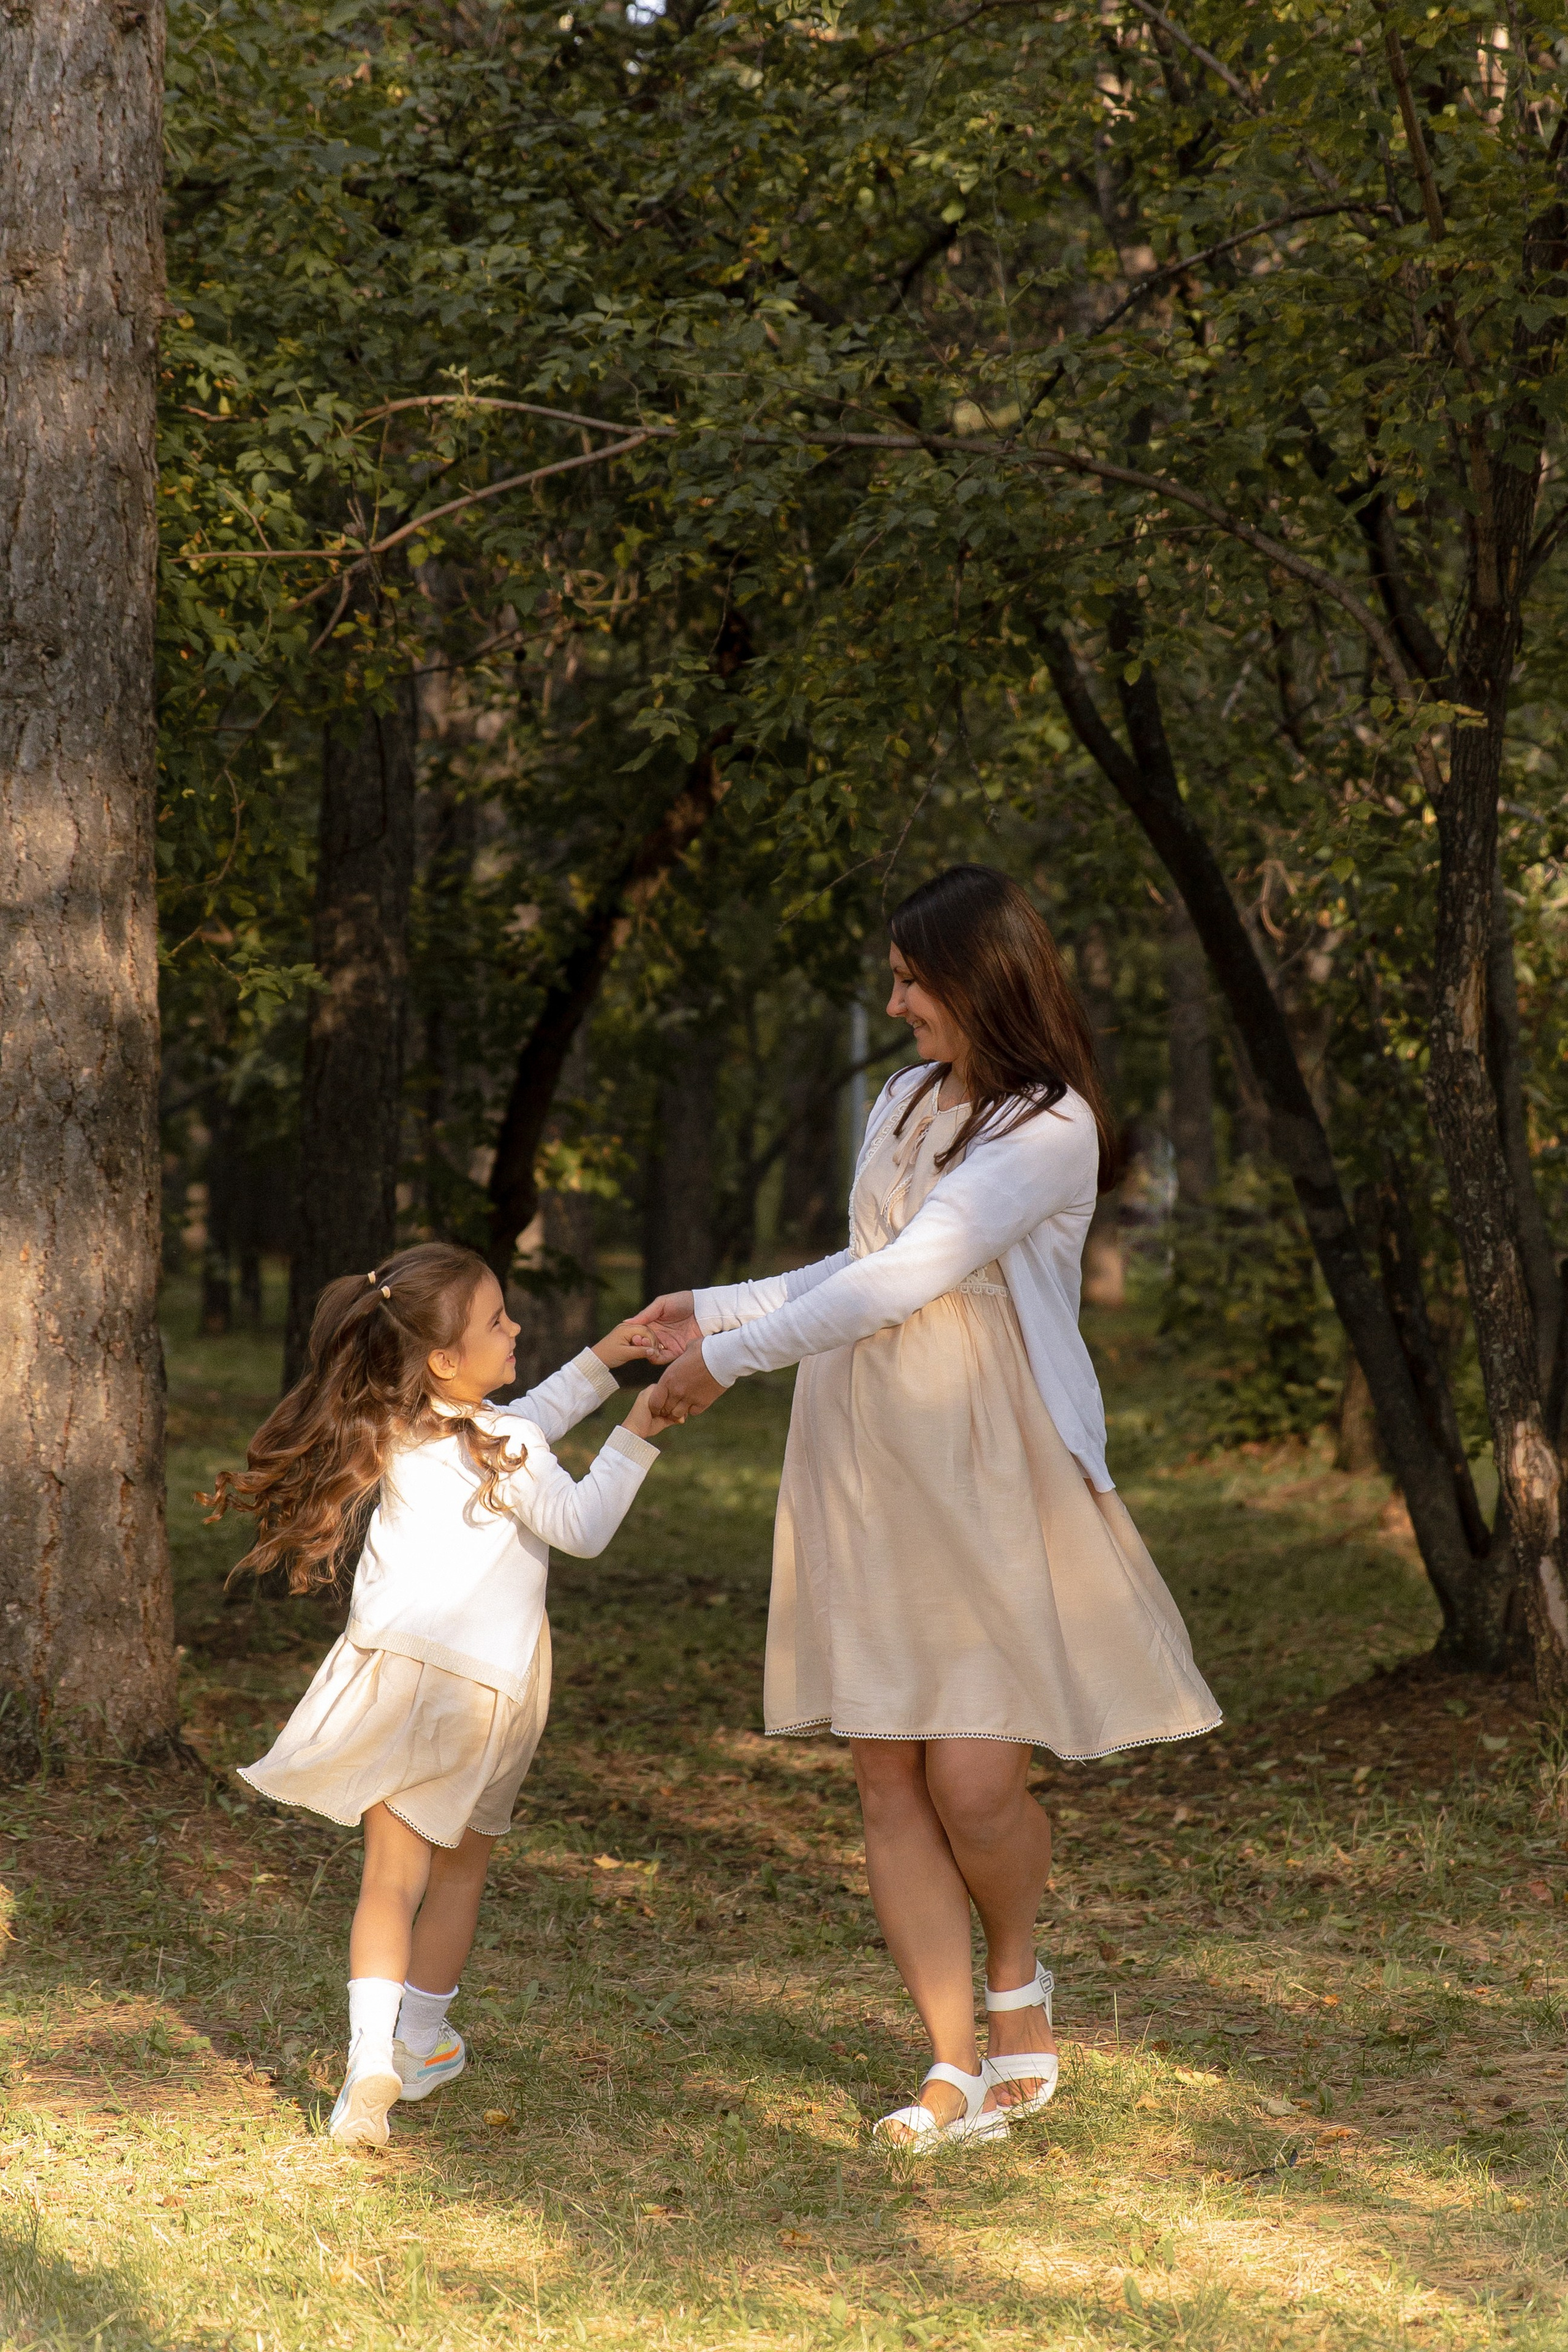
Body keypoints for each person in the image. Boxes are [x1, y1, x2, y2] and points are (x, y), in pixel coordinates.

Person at [641, 865, 1219, 2149]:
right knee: (884, 1773)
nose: (895, 1003)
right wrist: (713, 1305)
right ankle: (950, 2064)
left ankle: (1016, 1977)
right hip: (866, 1451)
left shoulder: (1049, 1124)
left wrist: (723, 1364)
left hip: (988, 1463)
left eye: (912, 979)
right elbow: (861, 1256)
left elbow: (915, 1273)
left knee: (971, 1783)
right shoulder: (905, 1098)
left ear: (979, 980)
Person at [206, 1242, 676, 2148]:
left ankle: (369, 2060)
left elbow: (517, 1422)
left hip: (394, 1672)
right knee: (460, 1868)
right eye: (498, 1320)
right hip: (490, 1692)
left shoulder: (401, 1428)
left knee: (391, 1876)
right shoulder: (511, 1444)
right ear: (445, 1362)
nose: (518, 1328)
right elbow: (578, 1525)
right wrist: (639, 1430)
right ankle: (420, 2042)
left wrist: (607, 1360)